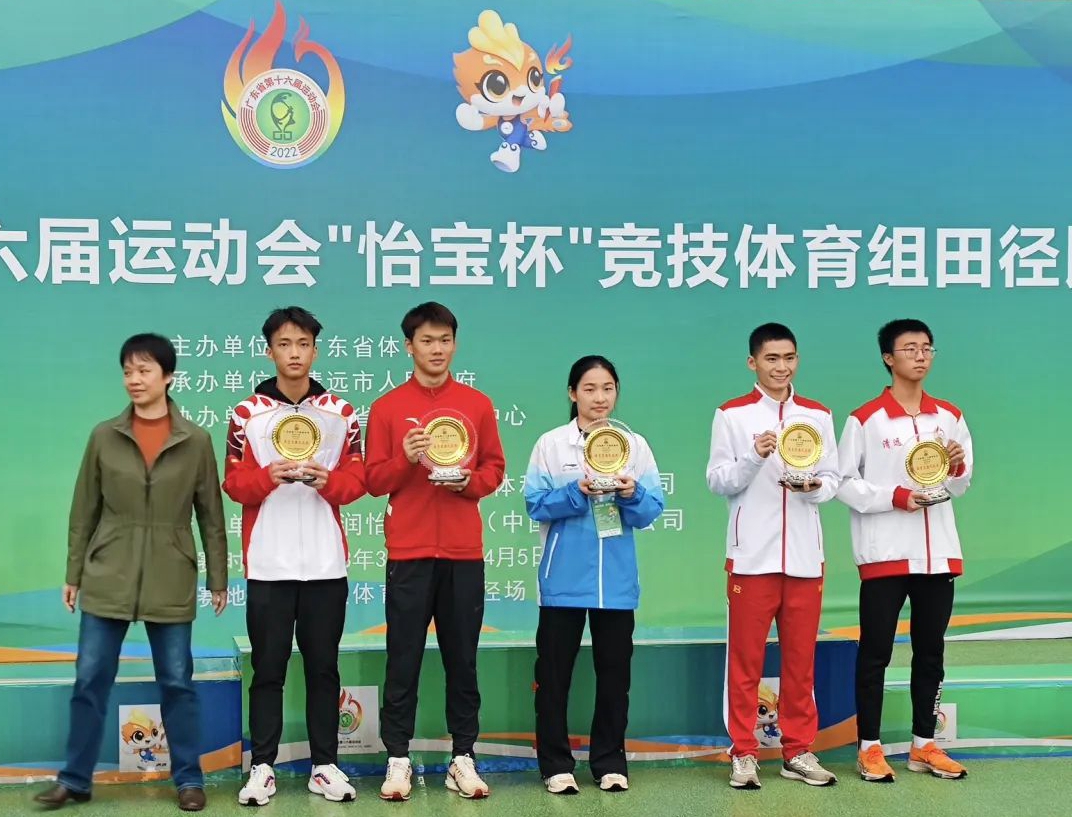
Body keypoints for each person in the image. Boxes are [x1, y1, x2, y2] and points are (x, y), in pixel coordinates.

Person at [34, 334, 228, 813]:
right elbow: (84, 509)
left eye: (144, 370)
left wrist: (218, 578)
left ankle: (189, 779)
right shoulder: (104, 435)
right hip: (109, 572)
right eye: (127, 371)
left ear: (168, 376)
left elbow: (210, 516)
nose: (134, 380)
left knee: (178, 683)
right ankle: (74, 780)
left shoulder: (196, 440)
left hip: (171, 572)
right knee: (90, 679)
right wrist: (74, 572)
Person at [224, 307, 367, 805]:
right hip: (268, 563)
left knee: (324, 669)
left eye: (303, 344)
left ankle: (324, 766)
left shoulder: (341, 413)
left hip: (326, 564)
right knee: (268, 670)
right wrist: (267, 477)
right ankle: (262, 767)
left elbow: (358, 479)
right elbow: (233, 483)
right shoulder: (246, 414)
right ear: (270, 352)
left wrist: (331, 482)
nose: (294, 353)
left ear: (315, 350)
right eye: (284, 344)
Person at [365, 302, 505, 801]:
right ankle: (398, 758)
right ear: (409, 346)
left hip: (463, 552)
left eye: (445, 339)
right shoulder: (387, 408)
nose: (437, 349)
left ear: (455, 344)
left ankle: (462, 756)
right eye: (427, 340)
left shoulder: (476, 404)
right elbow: (373, 479)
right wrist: (405, 459)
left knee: (462, 660)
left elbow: (494, 469)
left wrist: (469, 482)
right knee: (402, 658)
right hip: (410, 550)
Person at [706, 323, 840, 790]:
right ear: (753, 363)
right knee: (745, 662)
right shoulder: (732, 415)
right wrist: (753, 456)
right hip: (751, 558)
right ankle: (743, 752)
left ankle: (798, 750)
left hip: (804, 557)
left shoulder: (818, 415)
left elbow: (834, 478)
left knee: (801, 662)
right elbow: (717, 479)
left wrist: (814, 486)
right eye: (771, 359)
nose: (781, 367)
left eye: (789, 358)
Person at [837, 319, 972, 783]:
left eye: (927, 348)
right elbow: (843, 482)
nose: (920, 355)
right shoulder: (865, 419)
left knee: (930, 653)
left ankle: (923, 745)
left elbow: (961, 482)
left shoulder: (949, 416)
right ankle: (869, 748)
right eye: (910, 348)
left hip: (938, 555)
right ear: (887, 358)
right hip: (886, 555)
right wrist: (895, 496)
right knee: (875, 653)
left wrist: (956, 467)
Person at [525, 355, 664, 795]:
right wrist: (575, 491)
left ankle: (609, 762)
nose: (599, 397)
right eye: (589, 388)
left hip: (615, 582)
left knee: (614, 678)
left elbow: (652, 509)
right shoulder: (551, 444)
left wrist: (632, 493)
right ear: (572, 393)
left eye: (607, 388)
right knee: (554, 678)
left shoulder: (634, 445)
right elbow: (534, 504)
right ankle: (555, 765)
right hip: (563, 580)